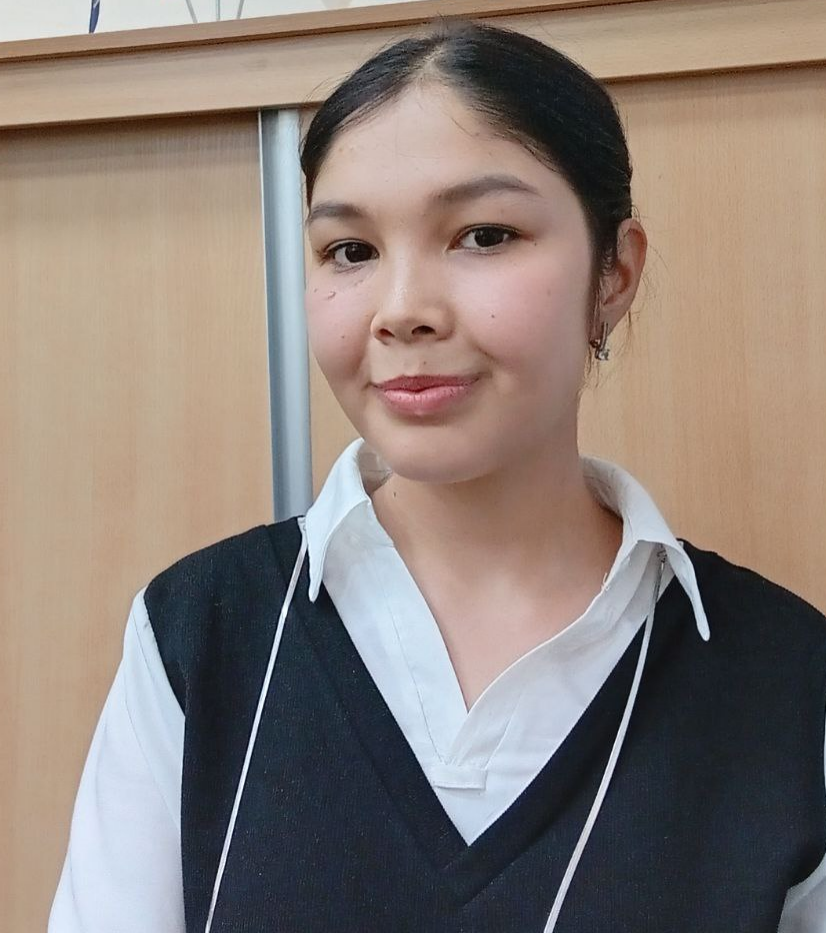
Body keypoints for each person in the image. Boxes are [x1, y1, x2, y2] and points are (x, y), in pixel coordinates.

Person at [48, 20, 824, 934]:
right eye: (350, 250)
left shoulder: (785, 682)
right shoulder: (199, 638)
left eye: (483, 234)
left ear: (613, 273)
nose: (402, 310)